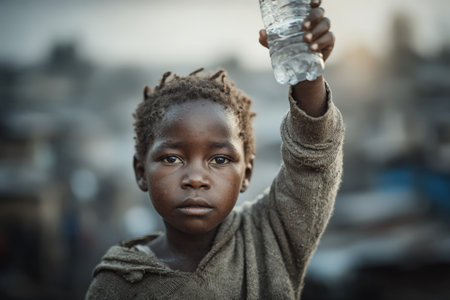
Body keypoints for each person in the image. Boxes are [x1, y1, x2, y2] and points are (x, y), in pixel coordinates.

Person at [86, 0, 343, 298]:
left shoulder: (270, 237)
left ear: (246, 173)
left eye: (219, 159)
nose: (196, 178)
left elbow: (312, 159)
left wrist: (306, 71)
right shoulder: (115, 286)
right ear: (141, 172)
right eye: (171, 158)